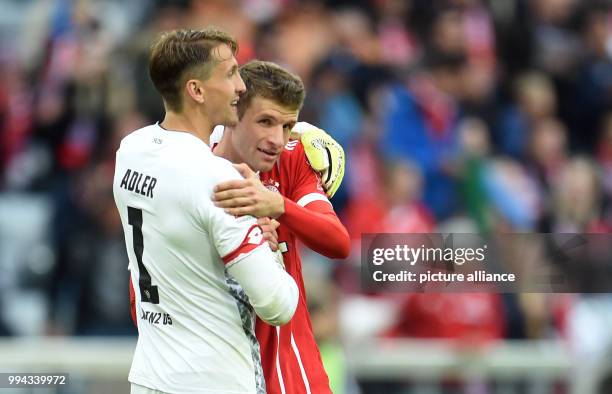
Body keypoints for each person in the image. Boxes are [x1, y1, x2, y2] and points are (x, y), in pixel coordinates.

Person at [114, 29, 299, 394]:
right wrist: (271, 247)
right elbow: (277, 306)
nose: (242, 87)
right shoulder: (218, 180)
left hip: (151, 377)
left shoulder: (129, 151)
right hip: (213, 381)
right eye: (230, 74)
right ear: (196, 91)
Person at [211, 60, 350, 394]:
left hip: (290, 366)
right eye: (265, 122)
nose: (276, 139)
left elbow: (338, 242)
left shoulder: (293, 159)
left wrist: (278, 206)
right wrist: (253, 241)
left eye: (287, 126)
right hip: (217, 364)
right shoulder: (193, 168)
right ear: (234, 114)